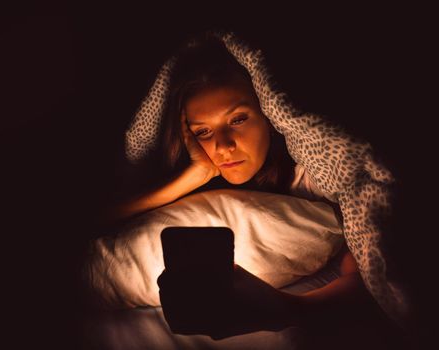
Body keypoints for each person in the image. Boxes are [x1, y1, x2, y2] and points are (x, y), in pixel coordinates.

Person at [105, 33, 390, 340]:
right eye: (203, 131)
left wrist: (286, 309)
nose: (223, 146)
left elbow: (365, 275)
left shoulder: (308, 179)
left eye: (238, 119)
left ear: (268, 115)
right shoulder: (192, 175)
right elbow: (82, 229)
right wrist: (190, 179)